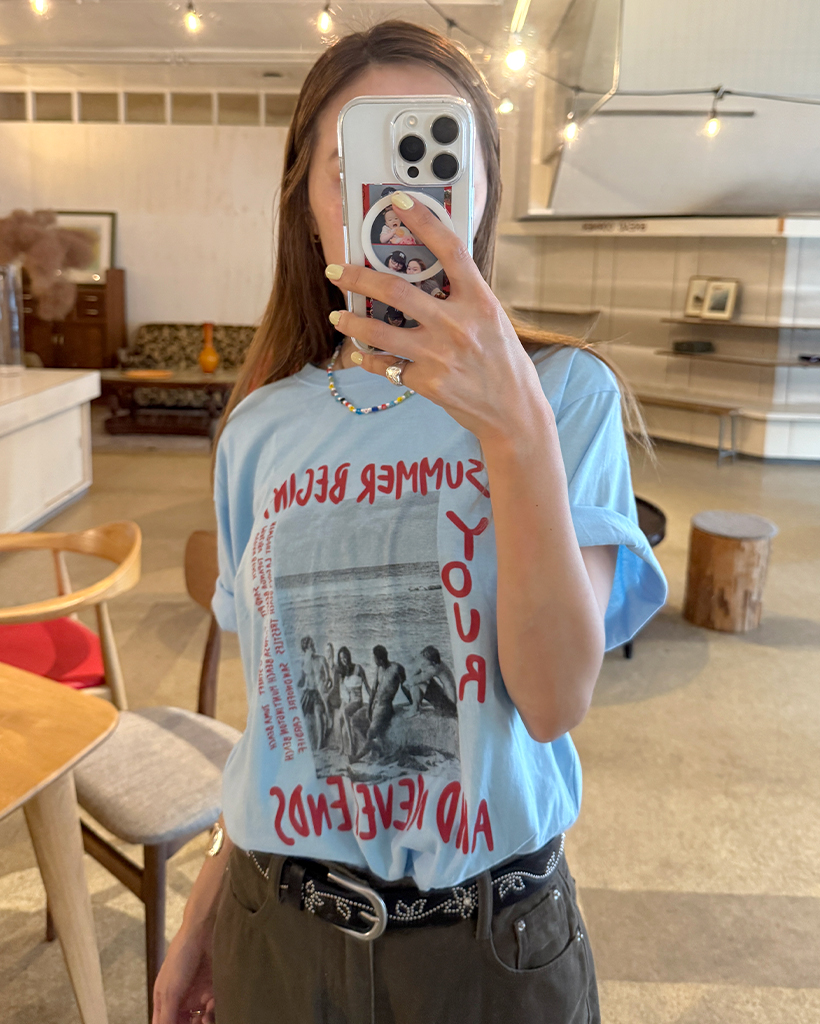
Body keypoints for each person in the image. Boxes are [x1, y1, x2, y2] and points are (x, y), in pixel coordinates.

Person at [153, 21, 667, 1024]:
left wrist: (514, 427)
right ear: (309, 207)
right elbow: (277, 717)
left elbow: (554, 698)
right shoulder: (259, 425)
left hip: (487, 948)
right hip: (277, 928)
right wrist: (209, 901)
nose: (398, 204)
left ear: (477, 198)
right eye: (354, 167)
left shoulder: (565, 395)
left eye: (435, 159)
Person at [357, 644, 407, 758]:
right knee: (356, 721)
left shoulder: (396, 668)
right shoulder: (379, 669)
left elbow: (405, 686)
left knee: (370, 733)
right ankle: (376, 749)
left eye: (374, 658)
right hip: (376, 704)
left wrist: (414, 703)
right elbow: (374, 689)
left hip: (385, 706)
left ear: (380, 659)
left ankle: (357, 757)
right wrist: (369, 708)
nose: (373, 660)